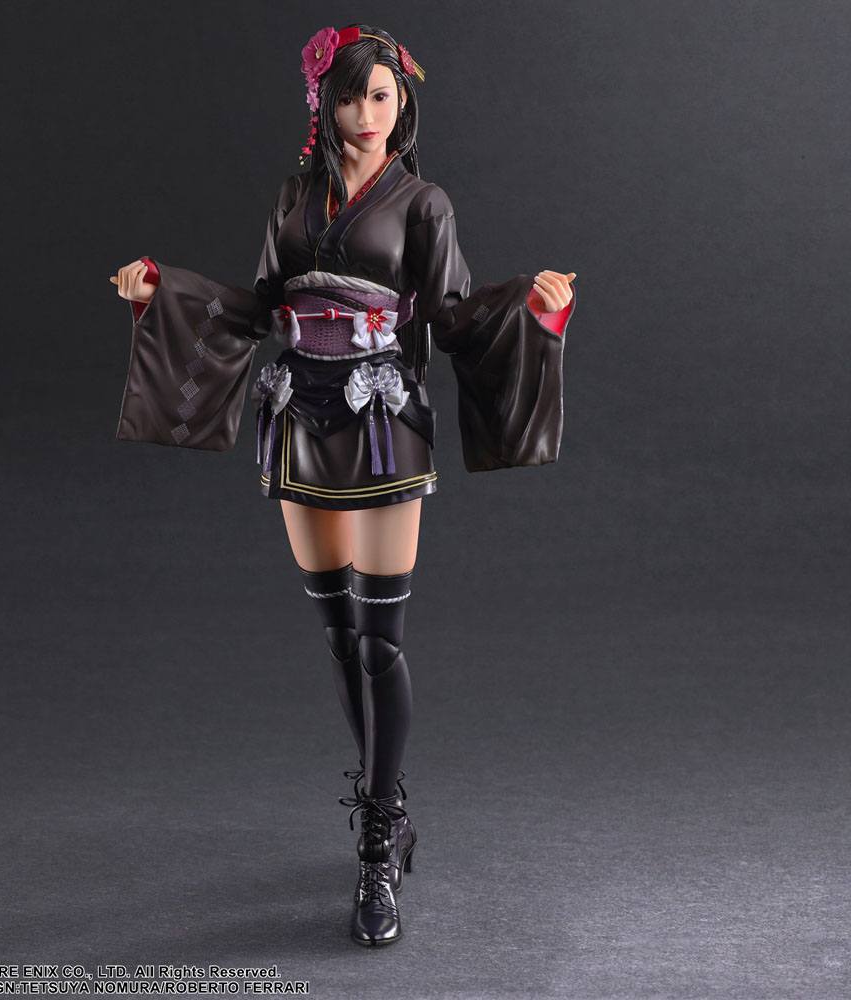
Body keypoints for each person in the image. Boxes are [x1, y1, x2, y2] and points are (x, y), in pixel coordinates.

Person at [109, 22, 577, 947]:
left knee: (380, 641)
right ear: (322, 102)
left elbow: (451, 315)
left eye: (382, 96)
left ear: (403, 105)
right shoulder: (294, 196)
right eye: (352, 95)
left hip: (381, 420)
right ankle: (384, 807)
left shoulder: (424, 203)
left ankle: (376, 840)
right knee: (336, 633)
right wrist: (162, 292)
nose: (367, 114)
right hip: (299, 414)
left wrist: (531, 308)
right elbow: (255, 307)